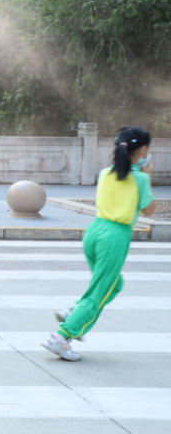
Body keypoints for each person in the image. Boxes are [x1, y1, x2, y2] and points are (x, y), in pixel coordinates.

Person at [42, 126, 156, 361]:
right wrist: (149, 175)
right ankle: (61, 337)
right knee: (99, 293)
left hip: (94, 231)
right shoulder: (141, 179)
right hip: (115, 237)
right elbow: (149, 210)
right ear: (143, 149)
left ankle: (73, 310)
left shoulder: (105, 173)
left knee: (113, 285)